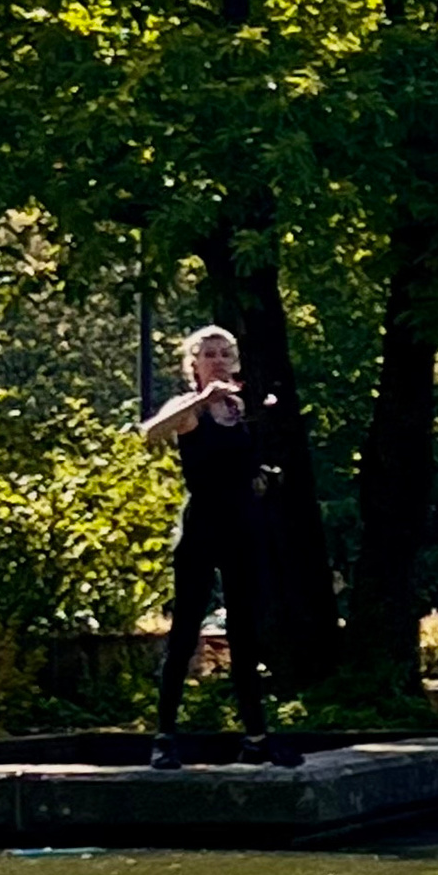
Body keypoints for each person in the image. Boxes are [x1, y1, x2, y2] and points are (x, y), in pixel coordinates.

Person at [138, 326, 300, 770]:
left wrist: (261, 477)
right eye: (207, 354)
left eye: (223, 353)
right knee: (185, 631)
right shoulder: (189, 409)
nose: (216, 360)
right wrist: (201, 398)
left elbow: (245, 463)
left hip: (243, 527)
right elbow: (150, 433)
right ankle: (165, 737)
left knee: (245, 634)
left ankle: (255, 736)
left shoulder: (240, 407)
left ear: (234, 361)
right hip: (202, 527)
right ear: (193, 363)